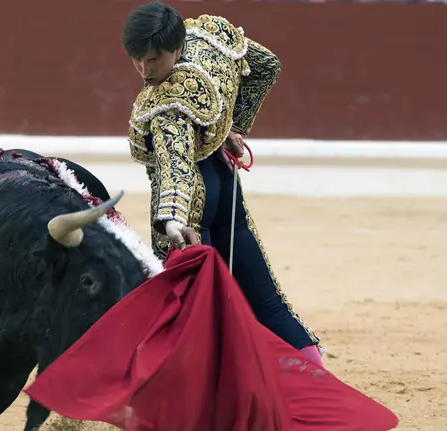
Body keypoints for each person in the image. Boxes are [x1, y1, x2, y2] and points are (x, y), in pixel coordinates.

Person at [122, 1, 323, 366]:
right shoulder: (210, 39)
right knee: (266, 300)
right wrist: (234, 125)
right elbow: (265, 66)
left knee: (194, 315)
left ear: (177, 49)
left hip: (190, 206)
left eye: (155, 60)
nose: (146, 69)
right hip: (224, 184)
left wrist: (171, 220)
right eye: (139, 59)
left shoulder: (165, 104)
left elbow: (176, 165)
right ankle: (315, 380)